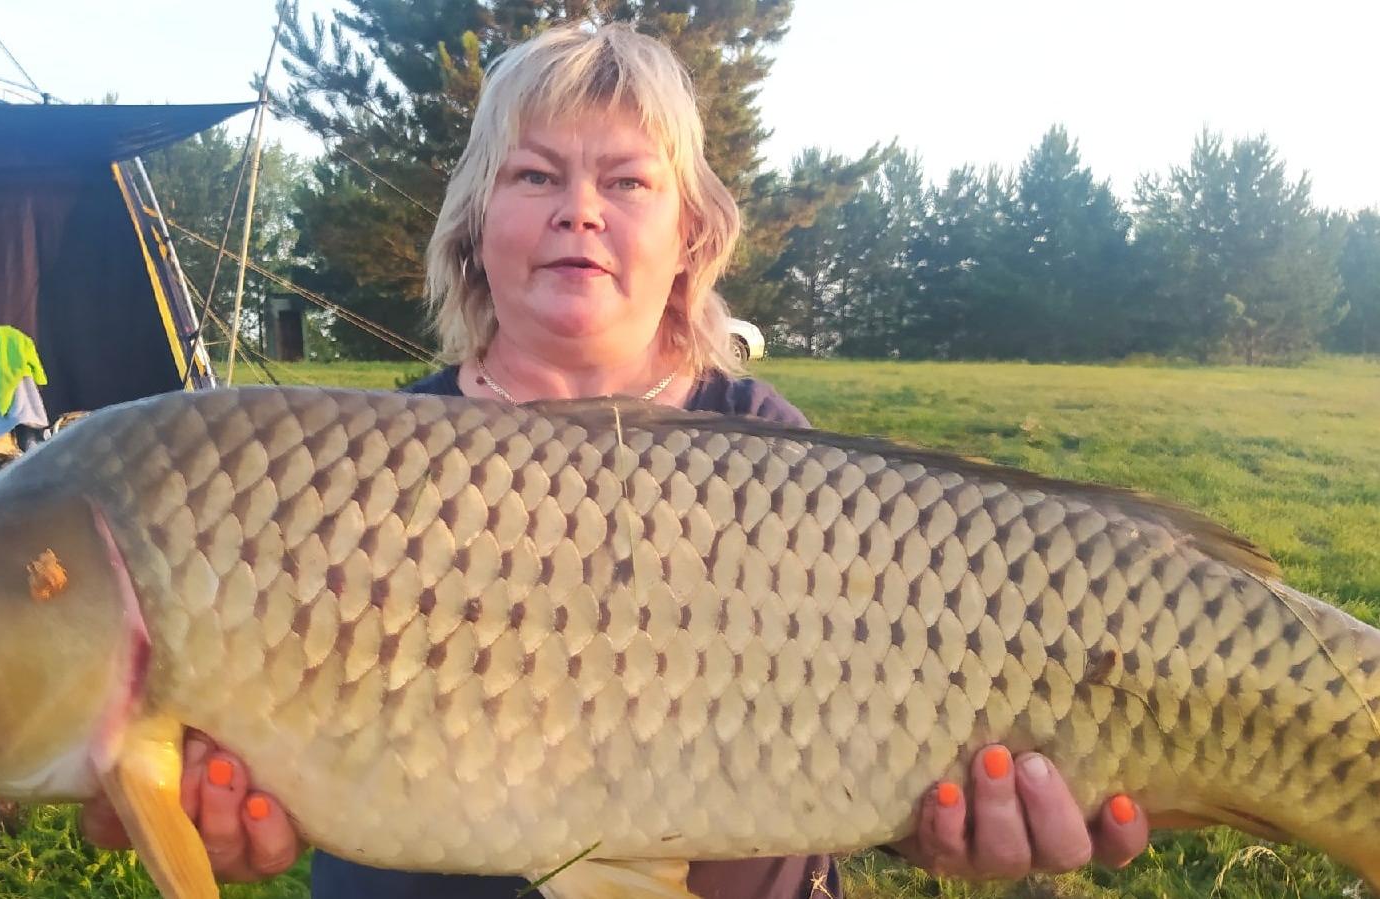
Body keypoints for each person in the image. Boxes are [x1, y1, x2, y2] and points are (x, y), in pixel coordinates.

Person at [80, 21, 1152, 897]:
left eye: (628, 182)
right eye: (536, 173)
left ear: (691, 231)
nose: (579, 209)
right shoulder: (351, 471)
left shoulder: (773, 450)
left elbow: (895, 756)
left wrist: (948, 822)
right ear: (475, 226)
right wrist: (199, 800)